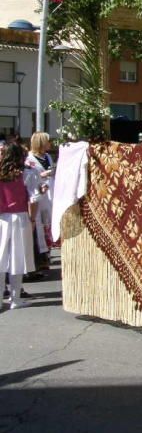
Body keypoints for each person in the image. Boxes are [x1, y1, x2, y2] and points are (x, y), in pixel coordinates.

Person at [1, 143, 36, 310]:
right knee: (17, 258)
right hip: (20, 217)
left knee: (1, 259)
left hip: (1, 218)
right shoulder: (26, 174)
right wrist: (33, 219)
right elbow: (33, 199)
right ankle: (15, 298)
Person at [24, 132, 54, 273]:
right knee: (38, 226)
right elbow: (30, 177)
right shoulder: (29, 159)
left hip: (49, 193)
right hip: (37, 193)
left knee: (48, 223)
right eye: (47, 141)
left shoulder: (47, 156)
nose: (50, 144)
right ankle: (39, 260)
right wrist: (44, 175)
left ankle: (46, 256)